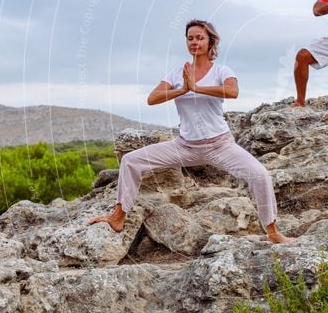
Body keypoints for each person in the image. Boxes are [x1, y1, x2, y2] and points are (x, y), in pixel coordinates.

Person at [90, 19, 294, 244]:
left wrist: (196, 88)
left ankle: (273, 231)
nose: (194, 42)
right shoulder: (177, 74)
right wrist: (182, 90)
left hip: (220, 145)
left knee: (260, 175)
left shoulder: (221, 71)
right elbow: (152, 98)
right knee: (130, 160)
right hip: (185, 146)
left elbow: (232, 91)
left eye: (200, 38)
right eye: (190, 38)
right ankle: (118, 216)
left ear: (210, 41)